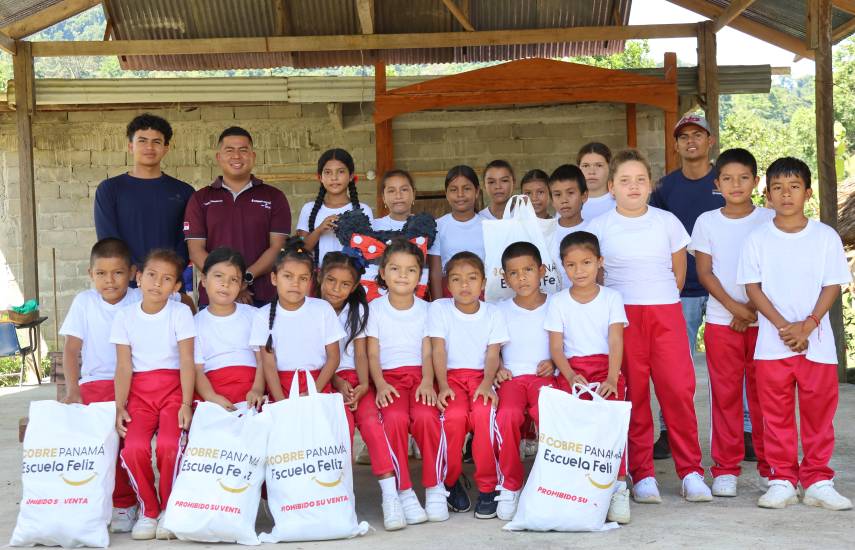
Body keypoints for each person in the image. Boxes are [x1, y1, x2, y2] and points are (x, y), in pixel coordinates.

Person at [586, 149, 711, 504]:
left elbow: (678, 272)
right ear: (611, 187)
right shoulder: (599, 228)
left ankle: (691, 472)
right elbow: (599, 276)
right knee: (634, 395)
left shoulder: (666, 222)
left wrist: (662, 302)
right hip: (623, 319)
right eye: (625, 181)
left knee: (677, 391)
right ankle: (642, 474)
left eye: (640, 179)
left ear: (650, 184)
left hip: (665, 314)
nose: (633, 186)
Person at [738, 157, 853, 511]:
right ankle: (782, 479)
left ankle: (818, 479)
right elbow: (752, 288)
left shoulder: (824, 236)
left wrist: (809, 324)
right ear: (767, 194)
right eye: (777, 187)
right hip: (773, 344)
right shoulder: (757, 238)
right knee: (776, 416)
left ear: (807, 192)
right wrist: (783, 326)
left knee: (819, 413)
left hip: (816, 345)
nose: (786, 194)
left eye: (793, 187)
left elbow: (833, 283)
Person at [690, 148, 773, 497]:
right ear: (716, 184)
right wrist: (734, 308)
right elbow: (705, 272)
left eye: (744, 178)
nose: (736, 185)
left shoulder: (769, 219)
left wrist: (751, 310)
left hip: (765, 322)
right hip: (724, 322)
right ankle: (725, 468)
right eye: (728, 178)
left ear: (756, 181)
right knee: (724, 396)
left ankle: (774, 468)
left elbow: (775, 269)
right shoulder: (707, 222)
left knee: (766, 398)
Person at [649, 114, 728, 459]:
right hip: (680, 289)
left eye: (698, 135)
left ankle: (745, 430)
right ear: (676, 144)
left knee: (731, 366)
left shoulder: (726, 180)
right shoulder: (665, 188)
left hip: (728, 291)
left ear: (710, 141)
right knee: (675, 367)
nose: (691, 141)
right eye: (684, 137)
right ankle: (669, 431)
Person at [110, 248, 196, 540]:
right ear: (138, 277)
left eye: (167, 278)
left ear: (176, 286)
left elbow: (186, 361)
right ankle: (148, 508)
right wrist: (120, 406)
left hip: (174, 391)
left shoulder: (180, 313)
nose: (157, 283)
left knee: (170, 445)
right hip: (140, 394)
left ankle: (170, 508)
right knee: (132, 448)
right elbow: (123, 366)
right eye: (151, 275)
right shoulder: (124, 317)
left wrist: (186, 402)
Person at [544, 231, 630, 523]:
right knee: (571, 427)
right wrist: (570, 376)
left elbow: (616, 340)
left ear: (599, 262)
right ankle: (577, 489)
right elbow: (556, 347)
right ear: (563, 266)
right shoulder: (557, 302)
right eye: (571, 265)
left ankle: (617, 488)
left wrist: (611, 378)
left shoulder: (611, 297)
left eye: (586, 263)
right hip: (572, 370)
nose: (579, 271)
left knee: (611, 423)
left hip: (607, 368)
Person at [58, 238, 141, 533]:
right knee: (103, 438)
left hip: (135, 383)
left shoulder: (141, 298)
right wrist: (73, 391)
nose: (110, 280)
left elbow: (180, 304)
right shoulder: (84, 302)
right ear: (90, 273)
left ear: (132, 273)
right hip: (95, 383)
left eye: (118, 273)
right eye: (102, 273)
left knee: (130, 438)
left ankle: (129, 502)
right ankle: (108, 501)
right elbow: (70, 350)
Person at [318, 251, 402, 531]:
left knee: (372, 425)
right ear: (320, 277)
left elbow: (362, 354)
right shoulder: (311, 309)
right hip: (325, 381)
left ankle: (391, 497)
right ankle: (340, 500)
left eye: (344, 284)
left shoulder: (360, 310)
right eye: (331, 280)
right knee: (340, 433)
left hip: (357, 379)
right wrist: (337, 384)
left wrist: (365, 384)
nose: (336, 289)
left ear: (355, 287)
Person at [367, 239, 447, 524]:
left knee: (427, 417)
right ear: (383, 272)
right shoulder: (374, 309)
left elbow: (428, 349)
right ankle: (404, 492)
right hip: (389, 379)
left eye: (410, 270)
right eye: (395, 269)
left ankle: (435, 486)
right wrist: (380, 384)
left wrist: (428, 381)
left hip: (421, 377)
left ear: (420, 275)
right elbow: (372, 352)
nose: (402, 275)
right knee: (394, 420)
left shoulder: (428, 310)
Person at [429, 252, 509, 519]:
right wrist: (442, 386)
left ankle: (488, 487)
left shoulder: (493, 313)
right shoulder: (439, 309)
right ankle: (450, 483)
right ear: (447, 284)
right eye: (457, 279)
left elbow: (492, 353)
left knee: (485, 414)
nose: (465, 285)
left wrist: (487, 385)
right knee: (452, 417)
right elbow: (437, 350)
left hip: (479, 377)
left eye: (472, 278)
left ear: (484, 283)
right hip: (450, 377)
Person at [183, 127, 291, 307]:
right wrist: (228, 282)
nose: (237, 156)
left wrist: (244, 279)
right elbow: (195, 250)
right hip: (213, 298)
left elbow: (277, 247)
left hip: (262, 297)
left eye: (243, 150)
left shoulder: (274, 197)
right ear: (218, 157)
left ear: (253, 156)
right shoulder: (200, 199)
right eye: (229, 150)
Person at [493, 242, 555, 520]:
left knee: (548, 415)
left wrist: (554, 362)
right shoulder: (499, 310)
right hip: (513, 379)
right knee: (507, 415)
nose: (522, 278)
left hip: (545, 377)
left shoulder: (556, 304)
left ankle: (553, 481)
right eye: (514, 273)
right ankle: (510, 483)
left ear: (541, 271)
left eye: (528, 270)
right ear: (504, 278)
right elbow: (491, 349)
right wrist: (498, 369)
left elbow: (567, 342)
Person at [94, 113, 194, 272]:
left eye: (156, 142)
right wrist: (132, 270)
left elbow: (186, 242)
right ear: (130, 146)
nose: (149, 147)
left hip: (168, 282)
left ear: (166, 148)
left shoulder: (184, 192)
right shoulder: (109, 189)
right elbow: (108, 240)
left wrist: (166, 272)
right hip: (126, 284)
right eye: (142, 141)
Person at [249, 237, 344, 399]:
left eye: (303, 278)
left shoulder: (322, 309)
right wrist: (281, 403)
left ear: (310, 281)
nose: (295, 283)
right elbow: (269, 365)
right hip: (280, 387)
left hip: (319, 384)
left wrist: (313, 391)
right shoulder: (262, 316)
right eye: (288, 276)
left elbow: (333, 358)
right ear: (274, 278)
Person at [192, 247, 266, 409]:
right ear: (203, 280)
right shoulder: (194, 324)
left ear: (241, 285)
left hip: (252, 387)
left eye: (234, 279)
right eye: (218, 276)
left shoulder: (255, 315)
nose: (225, 284)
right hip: (212, 390)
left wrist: (257, 389)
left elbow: (263, 360)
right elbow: (197, 370)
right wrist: (212, 397)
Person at [297, 148, 374, 269]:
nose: (334, 177)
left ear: (351, 176)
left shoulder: (363, 210)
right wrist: (319, 230)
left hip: (351, 281)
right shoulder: (308, 209)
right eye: (327, 172)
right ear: (320, 177)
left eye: (341, 172)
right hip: (318, 281)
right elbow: (300, 250)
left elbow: (368, 251)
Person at [427, 166, 485, 298]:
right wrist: (438, 303)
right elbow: (435, 272)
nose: (460, 195)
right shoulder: (437, 226)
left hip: (482, 292)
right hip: (449, 293)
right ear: (446, 194)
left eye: (467, 189)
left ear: (477, 192)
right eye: (453, 190)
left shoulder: (488, 225)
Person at [369, 170, 430, 296]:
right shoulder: (373, 227)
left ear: (414, 193)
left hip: (416, 296)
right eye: (391, 191)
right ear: (383, 197)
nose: (398, 196)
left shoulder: (426, 227)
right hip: (378, 297)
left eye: (404, 190)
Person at [547, 164, 589, 290]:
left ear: (584, 196)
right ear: (552, 200)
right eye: (557, 194)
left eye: (570, 193)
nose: (564, 200)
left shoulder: (594, 230)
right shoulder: (545, 232)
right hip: (553, 302)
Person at [577, 142, 615, 220]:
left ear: (610, 167)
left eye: (599, 165)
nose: (591, 172)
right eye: (585, 166)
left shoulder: (621, 202)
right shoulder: (569, 203)